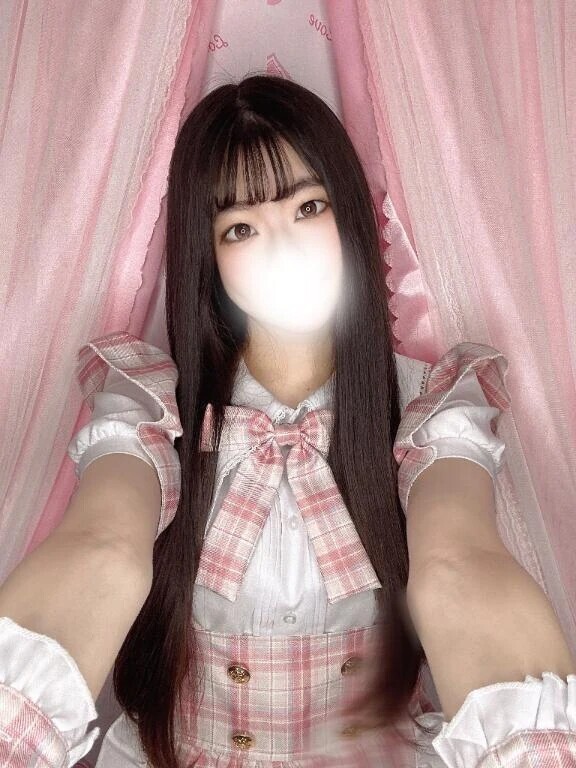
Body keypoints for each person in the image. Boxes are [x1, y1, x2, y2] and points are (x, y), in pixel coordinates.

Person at [0, 73, 574, 768]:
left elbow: (461, 564)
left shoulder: (427, 404)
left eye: (308, 207)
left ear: (348, 213)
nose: (283, 246)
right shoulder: (153, 406)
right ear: (208, 254)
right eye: (241, 227)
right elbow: (102, 546)